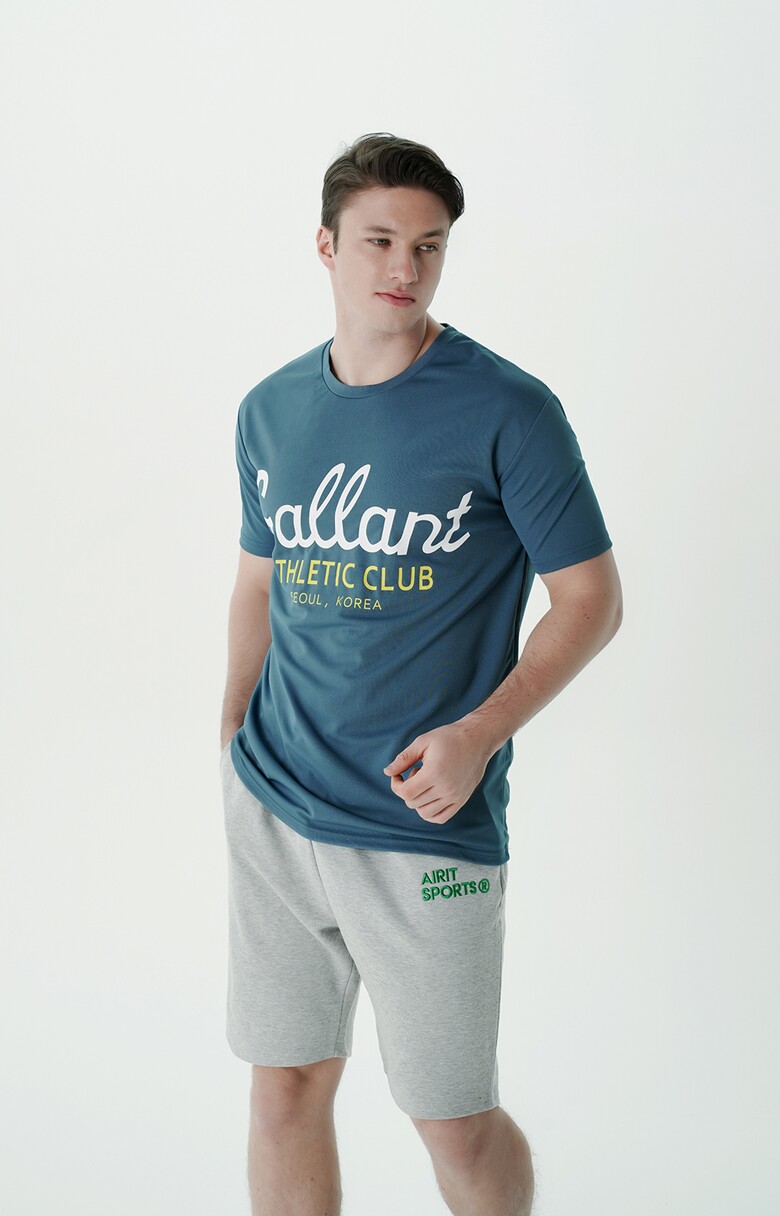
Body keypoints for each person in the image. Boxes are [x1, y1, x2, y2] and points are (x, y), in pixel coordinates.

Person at [219, 131, 623, 1216]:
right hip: (274, 806)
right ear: (326, 245)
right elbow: (258, 584)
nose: (405, 267)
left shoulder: (507, 411)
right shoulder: (270, 410)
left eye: (429, 245)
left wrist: (479, 735)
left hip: (423, 818)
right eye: (380, 241)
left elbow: (591, 600)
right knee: (284, 1086)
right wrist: (230, 738)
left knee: (451, 1115)